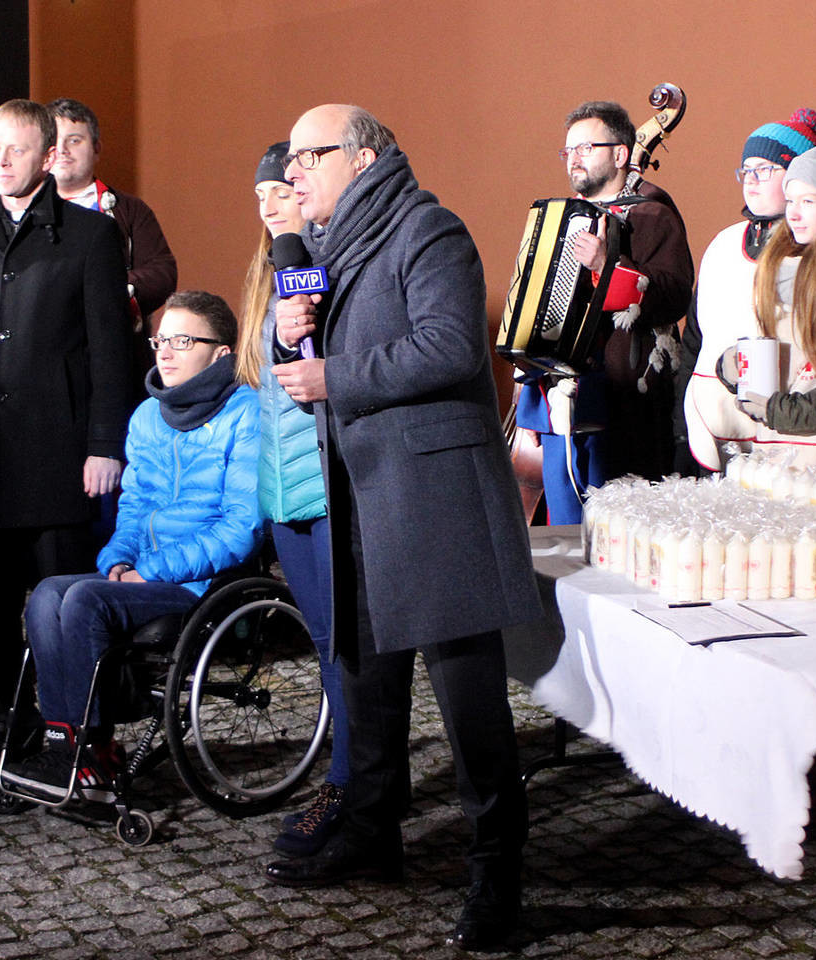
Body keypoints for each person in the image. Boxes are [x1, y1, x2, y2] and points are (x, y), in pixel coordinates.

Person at [259, 104, 541, 953]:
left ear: (363, 156)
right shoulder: (319, 252)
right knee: (366, 684)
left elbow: (451, 346)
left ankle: (499, 875)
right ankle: (372, 832)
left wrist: (333, 374)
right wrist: (288, 335)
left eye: (309, 155)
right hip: (356, 495)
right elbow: (305, 364)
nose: (293, 172)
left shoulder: (428, 230)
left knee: (469, 706)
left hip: (435, 501)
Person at [0, 99, 137, 770]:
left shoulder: (92, 236)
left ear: (47, 156)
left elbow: (112, 352)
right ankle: (12, 724)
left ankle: (83, 734)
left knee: (66, 607)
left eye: (16, 149)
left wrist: (106, 444)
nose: (2, 160)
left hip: (59, 456)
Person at [3, 291, 261, 800]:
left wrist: (155, 569)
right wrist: (119, 557)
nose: (165, 352)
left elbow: (241, 528)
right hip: (144, 573)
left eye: (182, 341)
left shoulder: (246, 413)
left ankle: (91, 749)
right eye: (161, 340)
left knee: (84, 599)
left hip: (205, 583)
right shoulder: (147, 416)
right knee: (48, 594)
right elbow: (135, 505)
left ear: (221, 353)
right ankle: (65, 741)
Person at [234, 141, 351, 857]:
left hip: (328, 482)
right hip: (283, 488)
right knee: (325, 641)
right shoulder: (270, 272)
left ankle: (350, 782)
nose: (270, 205)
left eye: (280, 189)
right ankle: (352, 774)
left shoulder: (323, 267)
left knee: (346, 643)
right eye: (260, 196)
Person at [513, 101, 695, 521]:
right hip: (561, 398)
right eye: (568, 150)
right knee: (563, 531)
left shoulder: (653, 214)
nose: (573, 158)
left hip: (624, 403)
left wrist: (605, 264)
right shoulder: (560, 218)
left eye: (586, 148)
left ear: (620, 154)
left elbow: (674, 295)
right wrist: (528, 388)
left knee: (620, 531)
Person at [715, 134, 816, 469]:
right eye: (790, 201)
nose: (794, 214)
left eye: (808, 201)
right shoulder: (774, 266)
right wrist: (731, 365)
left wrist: (783, 411)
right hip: (770, 452)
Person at [681, 109, 816, 471]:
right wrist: (679, 420)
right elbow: (695, 339)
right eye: (746, 170)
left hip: (786, 436)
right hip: (712, 425)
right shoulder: (723, 243)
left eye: (765, 169)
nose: (752, 180)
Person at [46, 98, 178, 324]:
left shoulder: (130, 210)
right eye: (54, 141)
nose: (62, 150)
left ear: (96, 149)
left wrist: (109, 289)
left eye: (74, 140)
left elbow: (162, 272)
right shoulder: (22, 211)